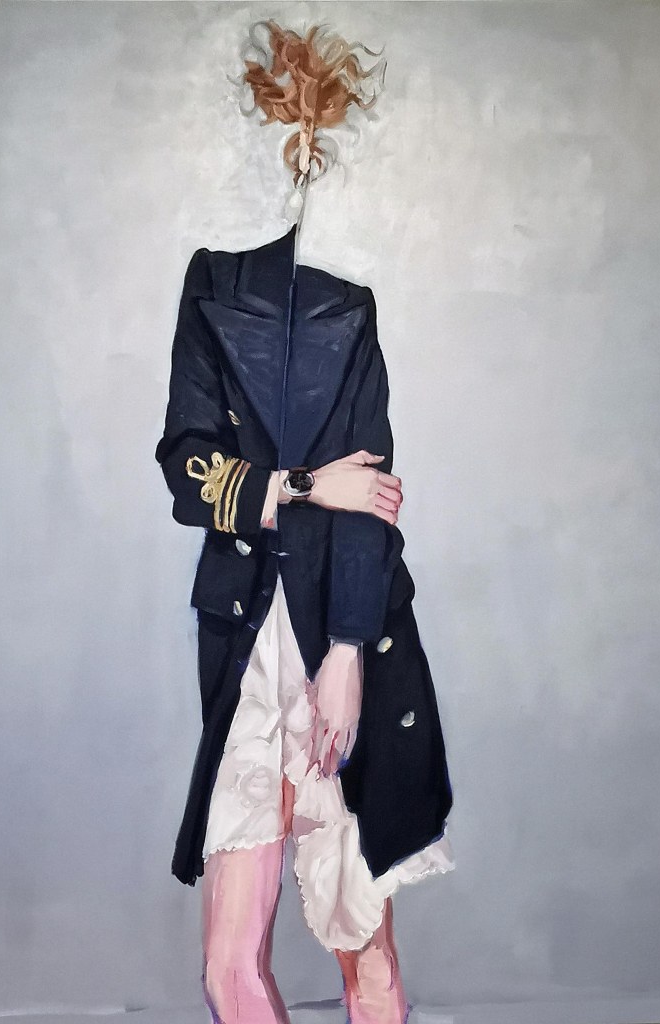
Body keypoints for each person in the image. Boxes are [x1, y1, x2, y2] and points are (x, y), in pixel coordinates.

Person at [155, 21, 454, 1024]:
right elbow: (184, 468)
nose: (297, 157)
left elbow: (369, 497)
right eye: (280, 130)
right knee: (229, 967)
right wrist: (295, 484)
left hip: (344, 633)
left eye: (312, 137)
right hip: (247, 645)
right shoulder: (210, 284)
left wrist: (345, 655)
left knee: (361, 947)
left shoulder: (349, 303)